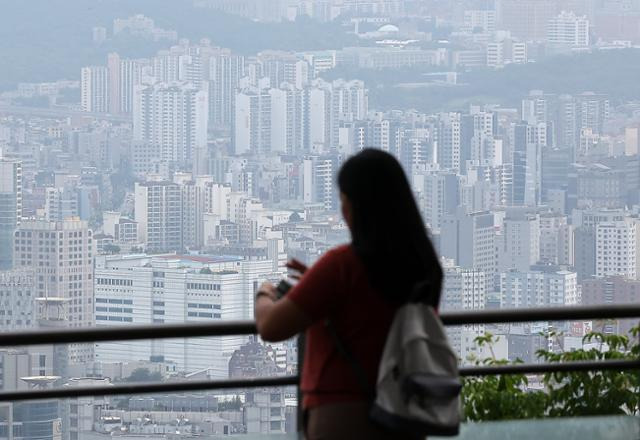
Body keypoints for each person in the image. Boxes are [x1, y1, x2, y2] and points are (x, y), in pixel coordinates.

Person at [254, 149, 443, 439]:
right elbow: (369, 307)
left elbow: (271, 327)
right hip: (403, 412)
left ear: (353, 207)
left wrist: (264, 293)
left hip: (343, 415)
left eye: (343, 201)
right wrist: (314, 285)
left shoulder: (342, 265)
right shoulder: (424, 265)